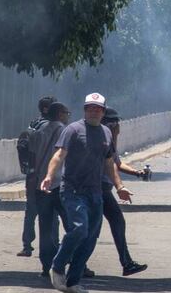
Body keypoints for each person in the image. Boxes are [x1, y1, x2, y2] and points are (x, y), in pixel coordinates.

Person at [40, 93, 128, 293]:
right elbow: (59, 154)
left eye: (97, 108)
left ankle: (72, 283)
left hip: (96, 193)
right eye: (90, 108)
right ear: (84, 110)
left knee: (90, 239)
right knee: (80, 229)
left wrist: (120, 186)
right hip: (72, 190)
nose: (93, 111)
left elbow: (109, 163)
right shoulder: (73, 130)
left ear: (103, 111)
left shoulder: (106, 132)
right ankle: (58, 265)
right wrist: (48, 175)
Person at [100, 107, 148, 276]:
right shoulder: (103, 140)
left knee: (93, 228)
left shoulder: (109, 141)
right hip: (97, 189)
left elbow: (118, 163)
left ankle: (126, 262)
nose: (119, 127)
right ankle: (66, 261)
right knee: (93, 228)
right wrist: (120, 187)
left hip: (101, 189)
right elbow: (111, 166)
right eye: (116, 123)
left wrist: (137, 173)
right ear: (110, 124)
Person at [30, 102, 70, 277]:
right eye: (66, 112)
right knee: (75, 227)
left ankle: (47, 266)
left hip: (40, 184)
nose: (68, 115)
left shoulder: (39, 130)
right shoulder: (65, 130)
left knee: (45, 229)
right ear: (60, 114)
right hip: (59, 185)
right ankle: (73, 263)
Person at [17, 96, 58, 257]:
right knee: (53, 215)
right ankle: (55, 245)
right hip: (50, 176)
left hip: (32, 175)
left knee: (31, 212)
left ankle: (27, 246)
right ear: (49, 109)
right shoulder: (53, 128)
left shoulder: (33, 125)